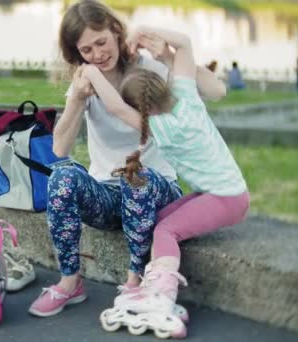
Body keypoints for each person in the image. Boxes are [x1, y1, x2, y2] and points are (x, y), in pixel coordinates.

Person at [27, 0, 226, 319]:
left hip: (156, 191)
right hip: (109, 195)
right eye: (86, 50)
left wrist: (170, 56)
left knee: (135, 176)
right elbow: (60, 150)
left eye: (101, 42)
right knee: (62, 177)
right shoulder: (86, 80)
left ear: (116, 32)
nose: (97, 54)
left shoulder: (149, 68)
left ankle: (135, 281)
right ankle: (70, 282)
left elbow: (217, 91)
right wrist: (77, 98)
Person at [80, 26, 249, 338]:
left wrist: (91, 73)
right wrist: (144, 31)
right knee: (158, 221)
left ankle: (161, 297)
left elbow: (116, 106)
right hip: (224, 191)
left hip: (226, 198)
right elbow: (184, 43)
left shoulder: (158, 127)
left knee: (164, 230)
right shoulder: (187, 97)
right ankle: (153, 280)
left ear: (140, 108)